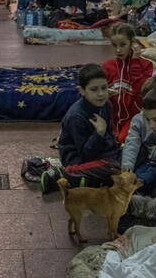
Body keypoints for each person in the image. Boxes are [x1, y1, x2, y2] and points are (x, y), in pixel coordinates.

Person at [41, 64, 121, 193]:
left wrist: (117, 150)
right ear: (82, 91)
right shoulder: (76, 116)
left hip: (102, 155)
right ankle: (62, 174)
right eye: (94, 89)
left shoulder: (107, 105)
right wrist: (99, 133)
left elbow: (111, 137)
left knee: (133, 156)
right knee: (114, 166)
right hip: (78, 160)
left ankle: (87, 180)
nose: (101, 94)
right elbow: (85, 154)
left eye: (104, 88)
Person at [102, 22, 153, 142]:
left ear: (132, 43)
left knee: (123, 139)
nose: (118, 50)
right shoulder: (107, 66)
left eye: (123, 45)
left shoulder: (145, 65)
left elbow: (141, 90)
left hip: (134, 118)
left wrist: (135, 63)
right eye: (114, 45)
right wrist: (104, 94)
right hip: (111, 119)